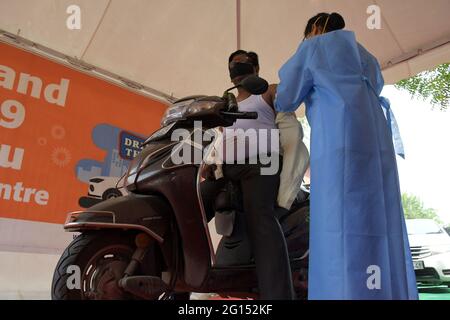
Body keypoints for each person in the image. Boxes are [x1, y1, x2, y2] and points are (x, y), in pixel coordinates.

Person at [275, 12, 418, 300]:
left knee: (337, 223)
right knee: (377, 219)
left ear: (315, 28)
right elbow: (376, 84)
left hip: (339, 143)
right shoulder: (364, 54)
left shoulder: (313, 48)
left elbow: (286, 97)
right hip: (376, 145)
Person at [203, 50, 295, 299]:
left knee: (261, 220)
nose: (235, 66)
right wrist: (210, 161)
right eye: (231, 63)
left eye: (241, 62)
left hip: (261, 165)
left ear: (256, 68)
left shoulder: (268, 91)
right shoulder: (226, 104)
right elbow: (220, 139)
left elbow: (292, 97)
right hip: (228, 170)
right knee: (193, 202)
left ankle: (278, 296)